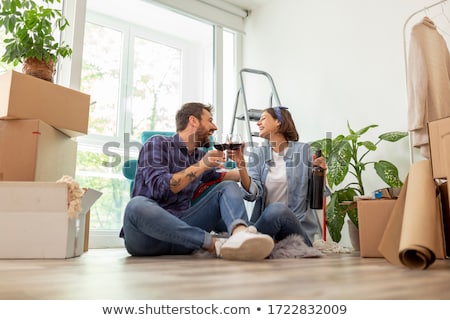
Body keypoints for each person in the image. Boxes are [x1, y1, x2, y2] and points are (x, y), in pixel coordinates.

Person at [121, 102, 275, 261]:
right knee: (135, 206)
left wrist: (242, 162)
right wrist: (202, 165)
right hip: (146, 239)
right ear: (193, 121)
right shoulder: (158, 143)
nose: (214, 127)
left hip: (183, 236)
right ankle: (214, 244)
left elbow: (231, 177)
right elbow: (162, 187)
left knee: (226, 187)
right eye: (210, 120)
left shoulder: (198, 156)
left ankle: (240, 235)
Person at [228, 106, 326, 246]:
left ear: (278, 121)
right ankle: (248, 241)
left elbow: (316, 195)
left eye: (263, 118)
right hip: (269, 228)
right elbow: (251, 195)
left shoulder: (303, 151)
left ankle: (249, 241)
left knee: (277, 209)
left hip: (296, 230)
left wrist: (321, 173)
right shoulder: (259, 154)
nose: (258, 123)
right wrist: (241, 164)